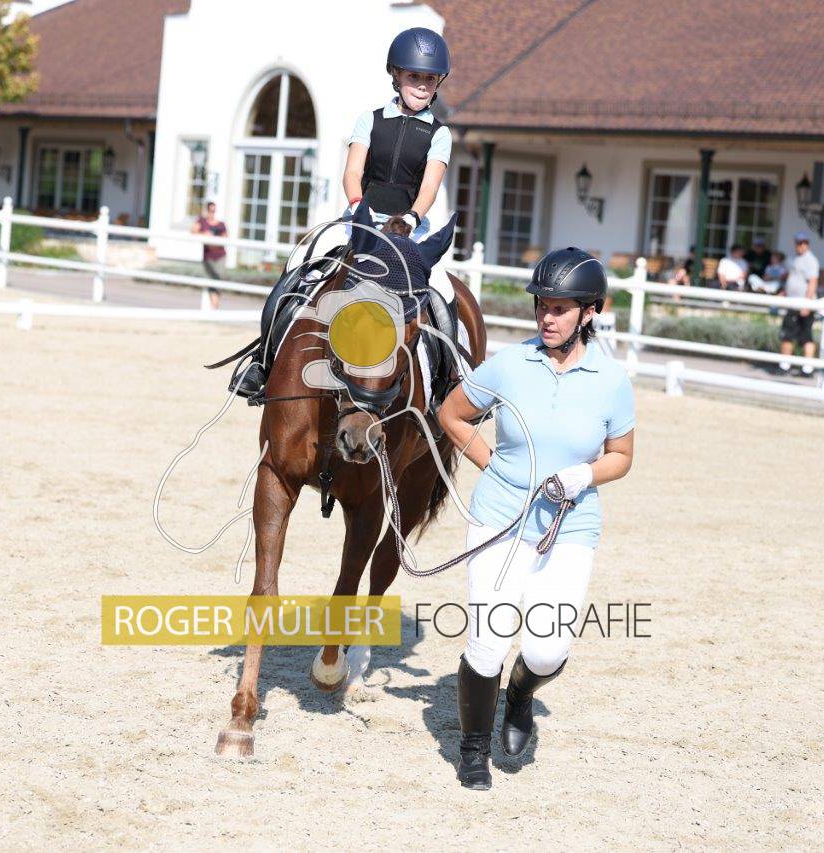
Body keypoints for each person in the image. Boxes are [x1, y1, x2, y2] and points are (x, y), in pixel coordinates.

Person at [436, 247, 637, 791]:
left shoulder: (611, 380)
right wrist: (494, 466)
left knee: (548, 649)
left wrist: (584, 475)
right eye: (542, 306)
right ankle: (473, 751)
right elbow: (452, 414)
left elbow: (621, 456)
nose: (547, 317)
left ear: (589, 312)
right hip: (499, 519)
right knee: (488, 641)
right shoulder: (509, 364)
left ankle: (522, 693)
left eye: (560, 309)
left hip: (570, 526)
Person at [231, 27, 453, 399]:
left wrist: (412, 217)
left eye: (430, 79)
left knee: (443, 291)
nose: (421, 85)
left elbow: (430, 186)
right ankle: (263, 362)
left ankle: (449, 383)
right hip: (361, 221)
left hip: (410, 228)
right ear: (396, 74)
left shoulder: (439, 134)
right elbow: (352, 172)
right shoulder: (370, 120)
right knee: (301, 267)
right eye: (414, 76)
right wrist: (357, 207)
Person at [778, 232, 820, 376]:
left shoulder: (810, 260)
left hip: (803, 304)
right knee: (787, 335)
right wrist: (784, 292)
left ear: (807, 244)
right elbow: (792, 279)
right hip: (792, 303)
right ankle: (785, 365)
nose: (801, 245)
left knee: (806, 336)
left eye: (804, 243)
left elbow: (813, 283)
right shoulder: (794, 259)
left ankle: (807, 368)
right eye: (799, 243)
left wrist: (807, 304)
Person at [192, 201, 227, 309]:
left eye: (214, 211)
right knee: (211, 279)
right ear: (206, 210)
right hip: (208, 256)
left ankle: (215, 306)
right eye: (210, 210)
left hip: (220, 255)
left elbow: (226, 237)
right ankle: (214, 306)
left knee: (219, 279)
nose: (212, 213)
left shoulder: (221, 224)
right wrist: (204, 234)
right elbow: (193, 231)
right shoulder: (202, 221)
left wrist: (215, 238)